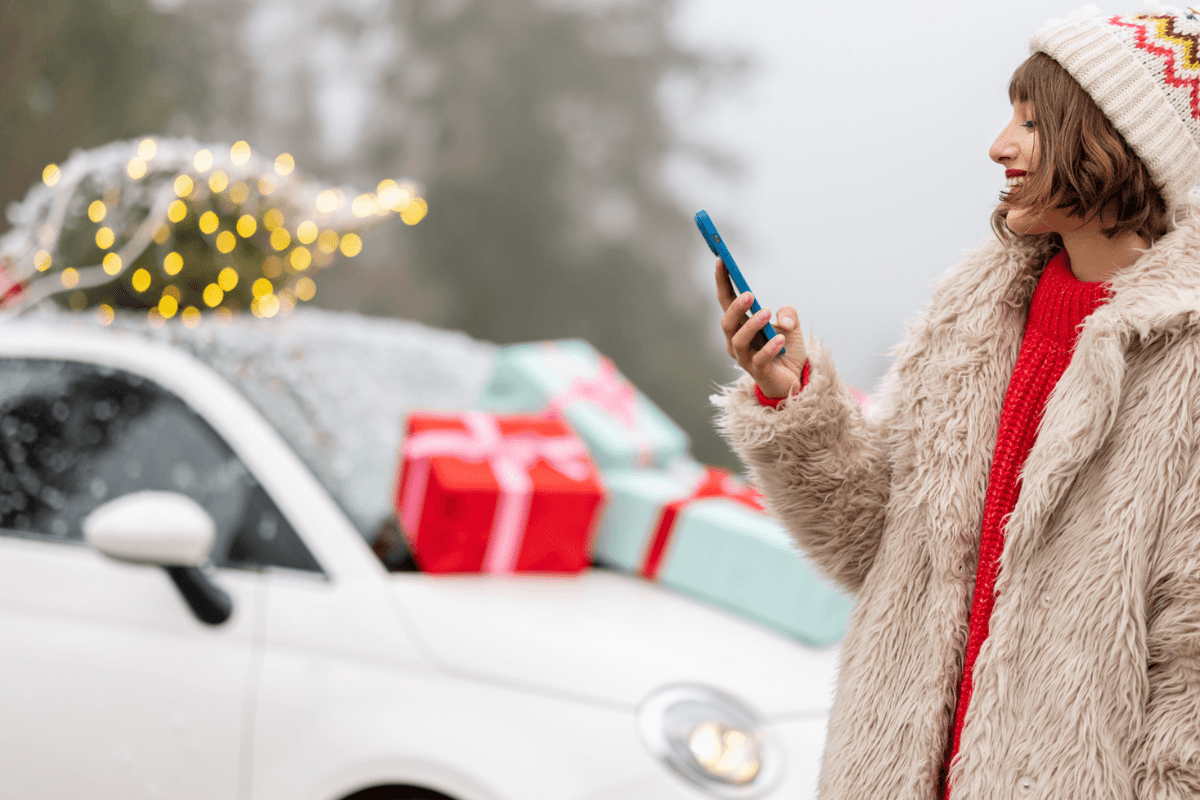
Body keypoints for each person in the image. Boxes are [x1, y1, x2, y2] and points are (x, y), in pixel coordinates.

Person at [713, 6, 1200, 799]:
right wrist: (790, 395)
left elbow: (1190, 675)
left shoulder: (1183, 362)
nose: (999, 146)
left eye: (1033, 122)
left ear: (1115, 143)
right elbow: (871, 545)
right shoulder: (973, 316)